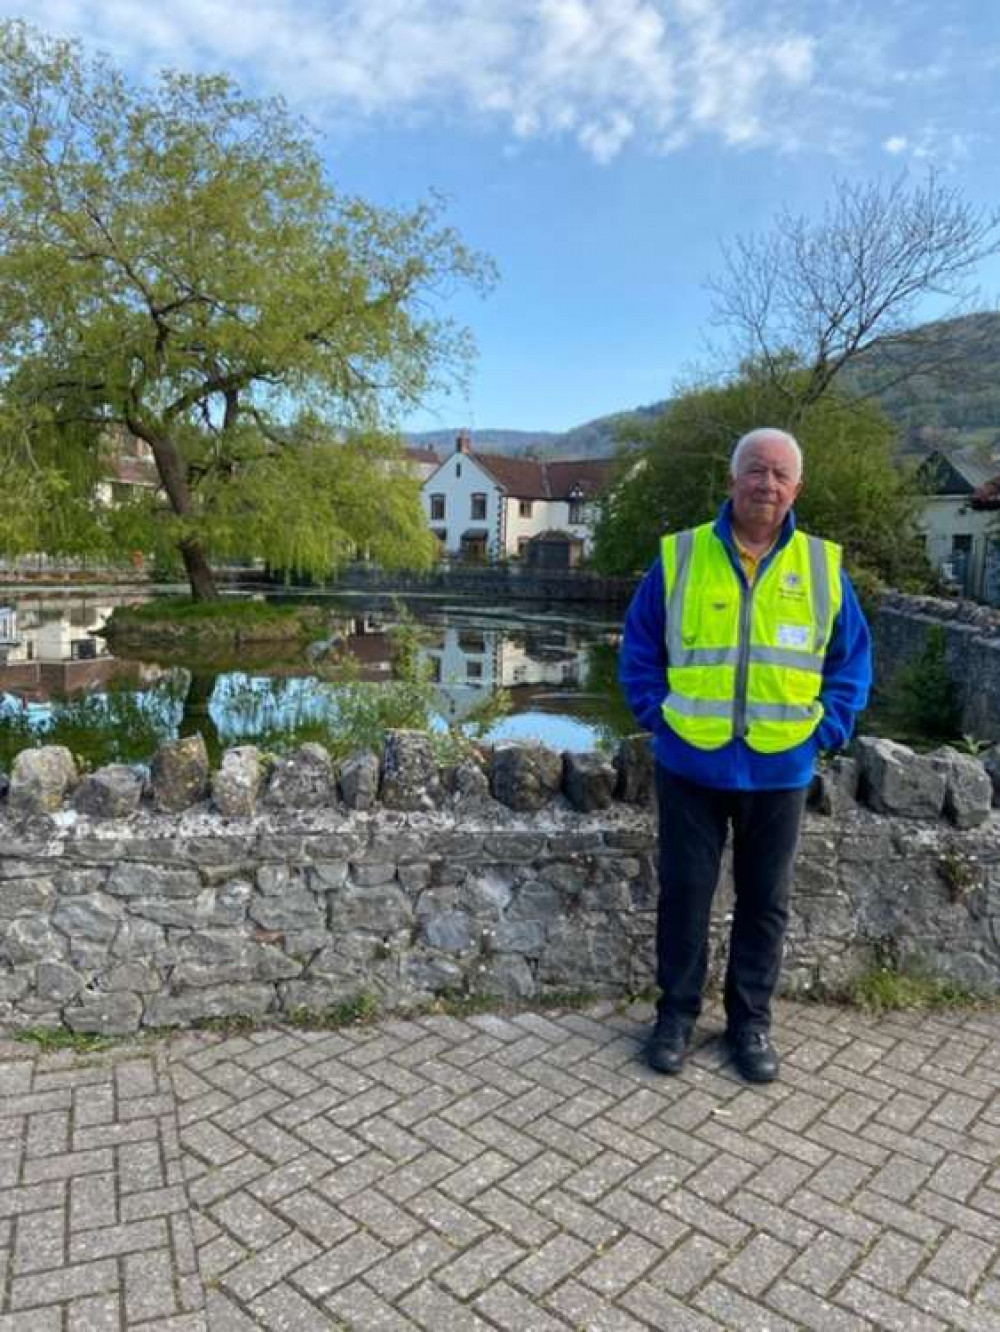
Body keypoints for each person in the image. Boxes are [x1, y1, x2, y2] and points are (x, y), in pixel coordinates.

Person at [619, 427, 872, 1083]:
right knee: (684, 896)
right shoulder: (679, 558)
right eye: (756, 470)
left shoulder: (821, 567)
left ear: (797, 488)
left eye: (780, 474)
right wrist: (658, 715)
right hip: (690, 764)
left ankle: (749, 1025)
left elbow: (850, 663)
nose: (767, 484)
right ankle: (674, 1017)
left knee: (766, 902)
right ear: (732, 480)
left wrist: (828, 729)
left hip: (780, 766)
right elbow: (640, 646)